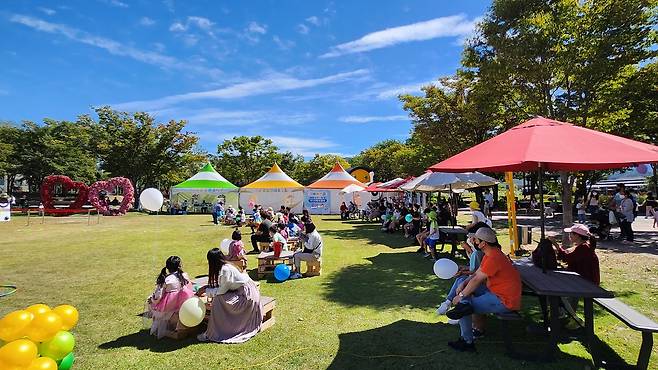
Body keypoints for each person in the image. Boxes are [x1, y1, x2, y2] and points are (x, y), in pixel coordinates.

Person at [444, 227, 522, 352]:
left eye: (475, 239)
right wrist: (463, 283)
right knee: (464, 303)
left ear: (483, 243)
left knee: (462, 307)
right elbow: (476, 274)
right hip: (496, 293)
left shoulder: (494, 257)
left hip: (505, 300)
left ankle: (467, 342)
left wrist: (461, 296)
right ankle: (467, 337)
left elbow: (477, 280)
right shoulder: (491, 253)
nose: (473, 241)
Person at [196, 248, 262, 343]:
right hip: (244, 291)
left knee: (219, 300)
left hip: (246, 296)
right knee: (220, 298)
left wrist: (206, 290)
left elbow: (221, 291)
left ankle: (216, 331)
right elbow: (224, 285)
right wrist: (207, 287)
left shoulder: (225, 270)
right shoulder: (226, 266)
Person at [436, 232, 486, 337]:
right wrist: (463, 270)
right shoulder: (477, 252)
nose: (471, 240)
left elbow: (478, 273)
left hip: (484, 284)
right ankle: (450, 304)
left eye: (473, 238)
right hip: (478, 279)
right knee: (461, 280)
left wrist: (461, 293)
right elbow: (474, 269)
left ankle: (450, 304)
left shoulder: (478, 254)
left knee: (463, 284)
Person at [146, 256, 194, 339]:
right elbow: (189, 288)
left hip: (169, 306)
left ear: (167, 267)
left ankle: (160, 327)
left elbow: (158, 296)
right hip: (182, 304)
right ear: (179, 266)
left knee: (150, 302)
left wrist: (152, 300)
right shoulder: (184, 276)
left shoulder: (166, 279)